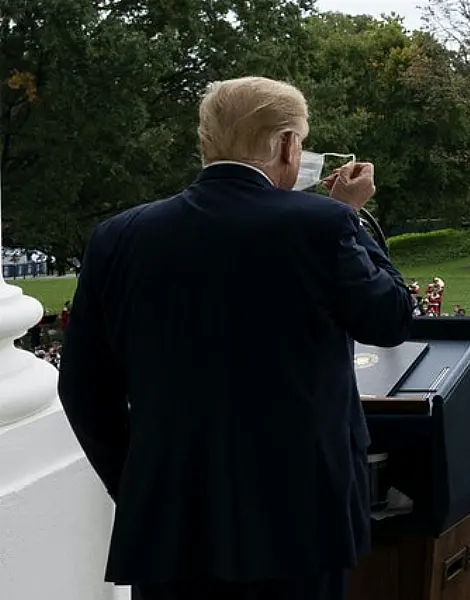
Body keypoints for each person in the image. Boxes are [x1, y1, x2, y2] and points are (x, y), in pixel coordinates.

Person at [57, 77, 414, 600]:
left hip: (170, 516)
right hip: (301, 514)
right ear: (288, 145)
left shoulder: (120, 236)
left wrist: (137, 483)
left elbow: (83, 387)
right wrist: (353, 216)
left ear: (207, 143)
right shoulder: (325, 224)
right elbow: (391, 319)